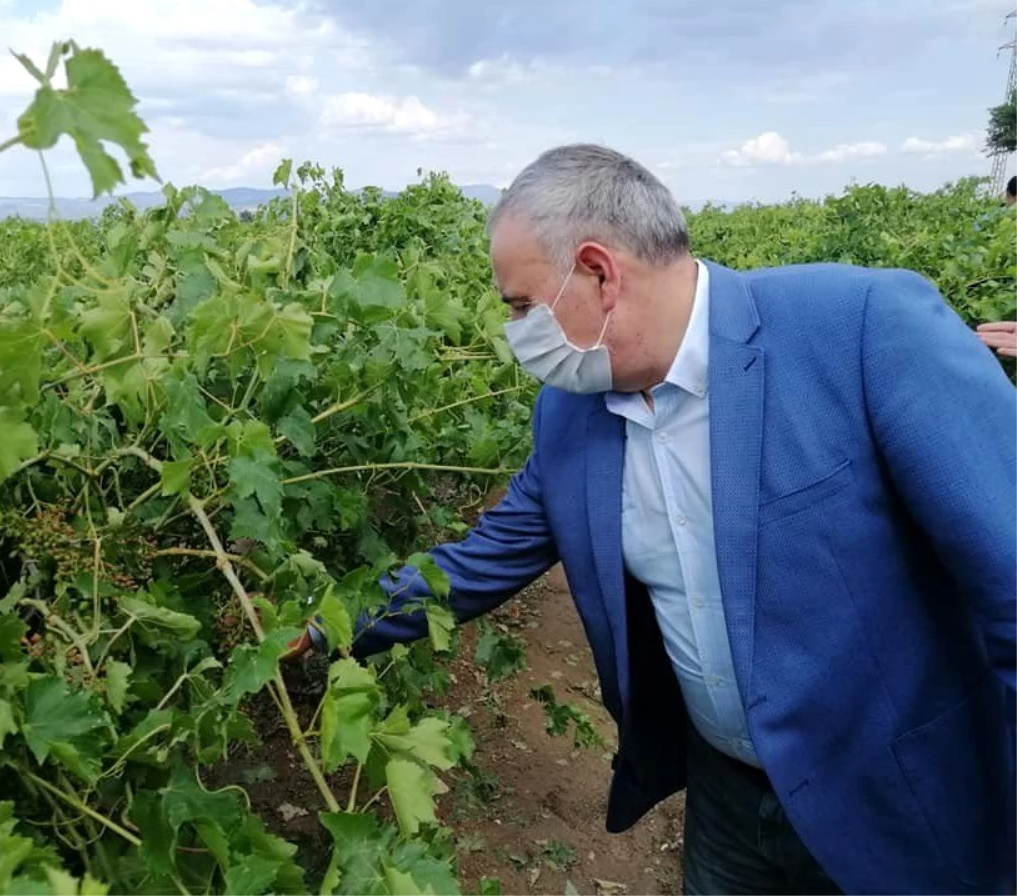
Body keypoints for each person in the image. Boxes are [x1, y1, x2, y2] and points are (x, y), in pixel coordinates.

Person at [289, 144, 1017, 895]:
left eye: (519, 305)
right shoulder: (570, 414)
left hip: (901, 801)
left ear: (599, 272)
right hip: (728, 800)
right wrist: (327, 627)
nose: (514, 330)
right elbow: (484, 557)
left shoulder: (862, 329)